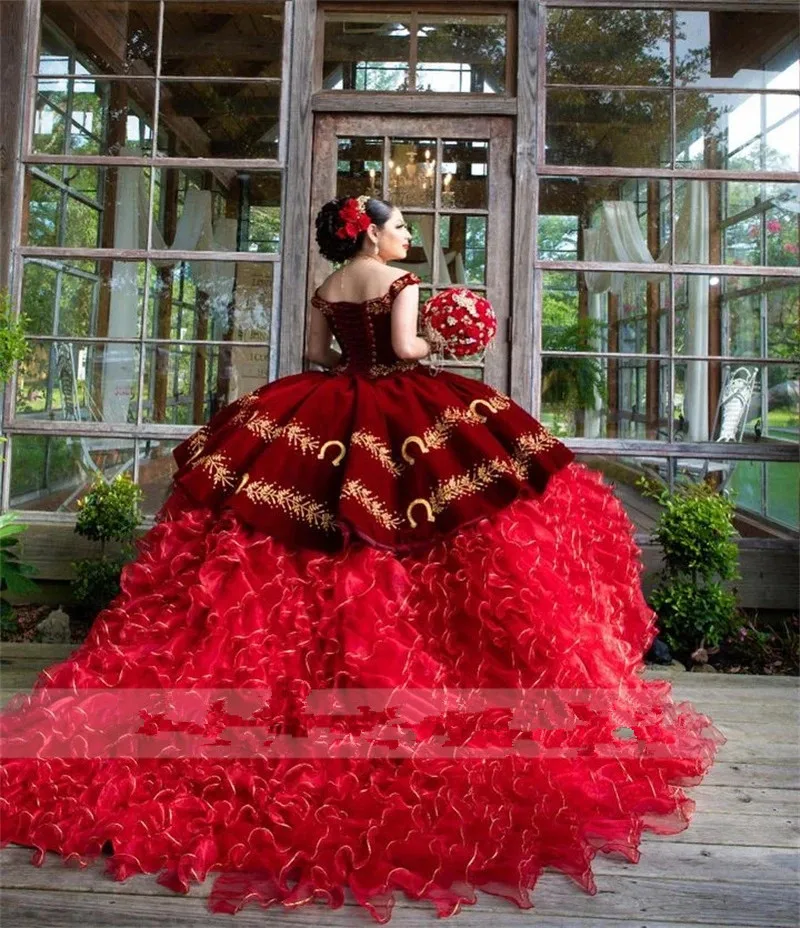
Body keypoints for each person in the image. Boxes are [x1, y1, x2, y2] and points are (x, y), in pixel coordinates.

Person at [0, 195, 726, 924]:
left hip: (328, 404)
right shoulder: (398, 283)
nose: (409, 236)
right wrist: (439, 344)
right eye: (401, 226)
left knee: (299, 528)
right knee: (440, 528)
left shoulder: (329, 286)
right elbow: (406, 352)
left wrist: (361, 358)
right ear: (372, 233)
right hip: (399, 408)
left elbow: (318, 356)